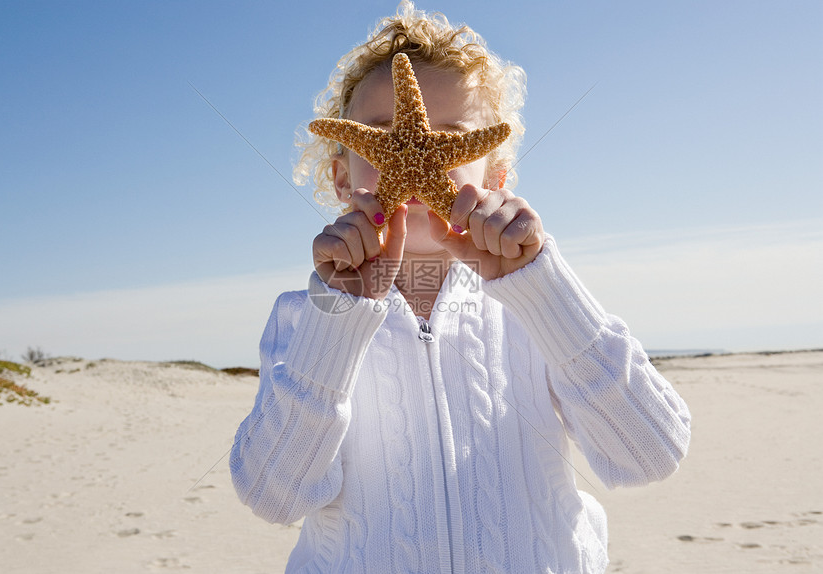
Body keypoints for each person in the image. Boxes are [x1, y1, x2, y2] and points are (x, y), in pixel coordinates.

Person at [230, 3, 691, 572]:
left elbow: (650, 452)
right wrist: (338, 320)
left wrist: (540, 287)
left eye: (448, 140)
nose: (413, 150)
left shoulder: (540, 304)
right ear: (342, 176)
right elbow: (274, 495)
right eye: (380, 140)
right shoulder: (307, 317)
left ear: (494, 174)